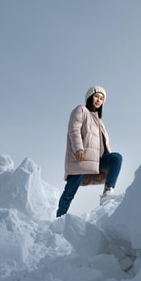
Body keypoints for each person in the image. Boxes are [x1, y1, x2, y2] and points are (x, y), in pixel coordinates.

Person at [56, 85, 122, 217]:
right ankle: (59, 218)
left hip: (97, 160)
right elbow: (74, 130)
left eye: (102, 98)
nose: (99, 100)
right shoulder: (80, 110)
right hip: (81, 158)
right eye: (97, 96)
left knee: (116, 158)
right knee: (69, 192)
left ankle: (107, 191)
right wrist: (78, 148)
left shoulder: (99, 122)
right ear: (90, 97)